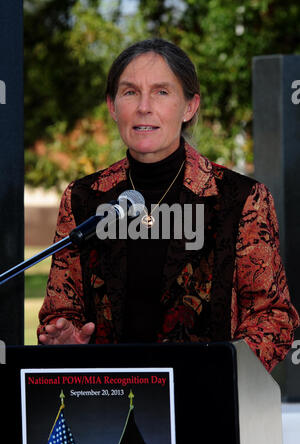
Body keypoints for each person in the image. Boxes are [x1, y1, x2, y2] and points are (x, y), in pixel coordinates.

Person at [37, 38, 299, 372]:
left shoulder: (241, 198)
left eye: (162, 92)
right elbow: (62, 310)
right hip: (110, 401)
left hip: (205, 404)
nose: (144, 107)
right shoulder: (84, 198)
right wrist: (64, 336)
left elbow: (272, 316)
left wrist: (221, 369)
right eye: (130, 92)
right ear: (112, 106)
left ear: (189, 106)